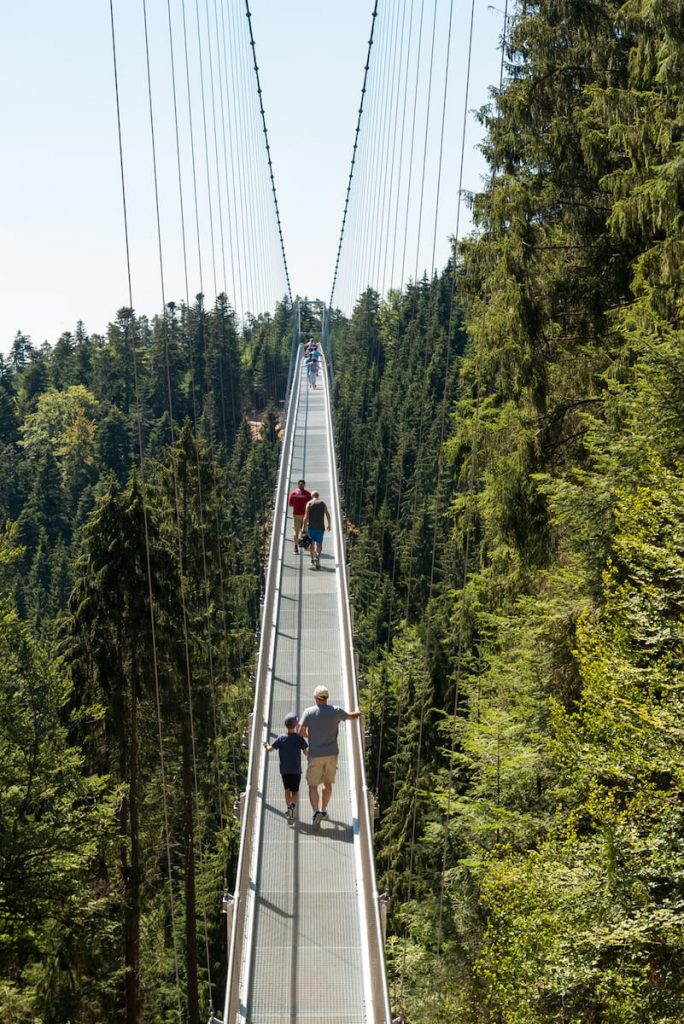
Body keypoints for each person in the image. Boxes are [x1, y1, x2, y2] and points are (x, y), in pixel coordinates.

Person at [298, 685, 360, 827]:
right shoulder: (335, 711)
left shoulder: (309, 712)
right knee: (327, 783)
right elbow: (350, 716)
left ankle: (316, 812)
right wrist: (357, 712)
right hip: (332, 754)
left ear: (315, 698)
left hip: (315, 755)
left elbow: (300, 731)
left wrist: (310, 735)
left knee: (313, 785)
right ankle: (324, 810)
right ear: (327, 698)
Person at [264, 712, 309, 822]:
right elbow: (306, 753)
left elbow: (270, 749)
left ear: (285, 725)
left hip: (284, 771)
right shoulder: (299, 738)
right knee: (295, 791)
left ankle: (289, 808)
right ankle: (292, 805)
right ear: (296, 725)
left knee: (287, 790)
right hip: (296, 770)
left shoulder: (281, 738)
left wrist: (265, 745)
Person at [302, 490, 331, 569]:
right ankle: (317, 557)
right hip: (320, 528)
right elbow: (327, 514)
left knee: (311, 544)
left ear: (312, 496)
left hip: (311, 528)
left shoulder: (309, 503)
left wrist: (303, 527)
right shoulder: (322, 503)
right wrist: (329, 524)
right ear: (318, 496)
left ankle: (312, 560)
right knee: (319, 544)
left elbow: (306, 517)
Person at [288, 478, 311, 554]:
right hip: (304, 514)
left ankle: (296, 548)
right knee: (304, 531)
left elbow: (290, 504)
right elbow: (310, 504)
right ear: (304, 485)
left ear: (298, 485)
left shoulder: (293, 493)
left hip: (296, 514)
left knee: (296, 531)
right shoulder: (307, 494)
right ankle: (305, 545)